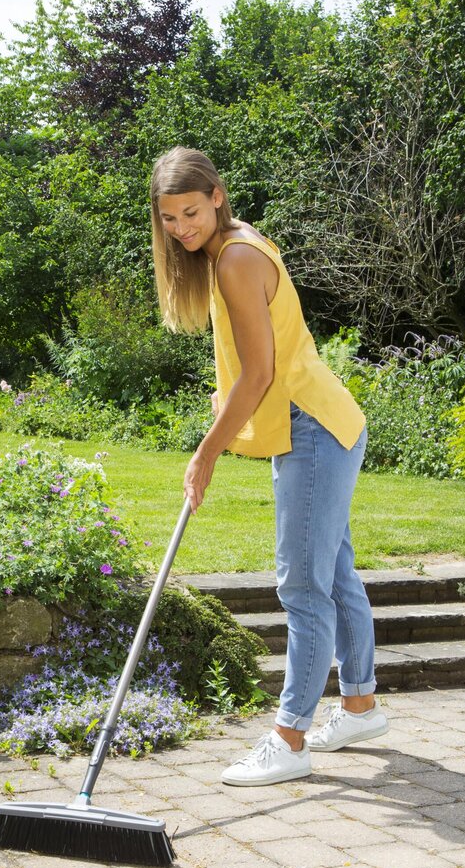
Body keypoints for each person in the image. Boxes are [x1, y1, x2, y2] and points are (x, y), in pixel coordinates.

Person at [149, 146, 388, 786]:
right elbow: (256, 360)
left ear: (218, 197)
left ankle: (290, 738)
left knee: (302, 589)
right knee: (332, 572)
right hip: (324, 423)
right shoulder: (238, 247)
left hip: (312, 429)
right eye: (169, 218)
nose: (181, 228)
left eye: (191, 212)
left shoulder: (235, 259)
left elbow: (259, 374)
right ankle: (359, 704)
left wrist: (205, 454)